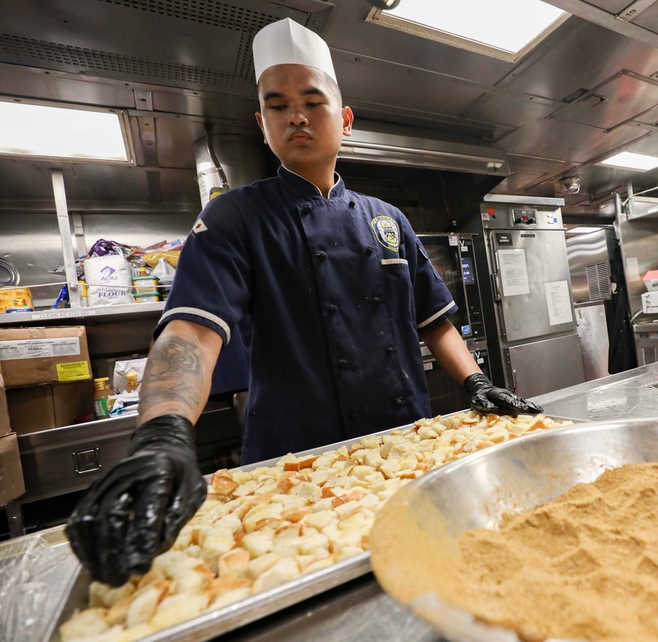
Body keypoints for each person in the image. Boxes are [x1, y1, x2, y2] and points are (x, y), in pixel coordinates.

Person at [66, 18, 541, 586]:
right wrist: (163, 433)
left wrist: (476, 384)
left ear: (343, 119)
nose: (296, 116)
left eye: (312, 102)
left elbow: (435, 322)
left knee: (433, 573)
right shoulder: (234, 218)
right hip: (294, 460)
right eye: (278, 105)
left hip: (404, 445)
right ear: (262, 124)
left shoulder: (388, 221)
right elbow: (191, 331)